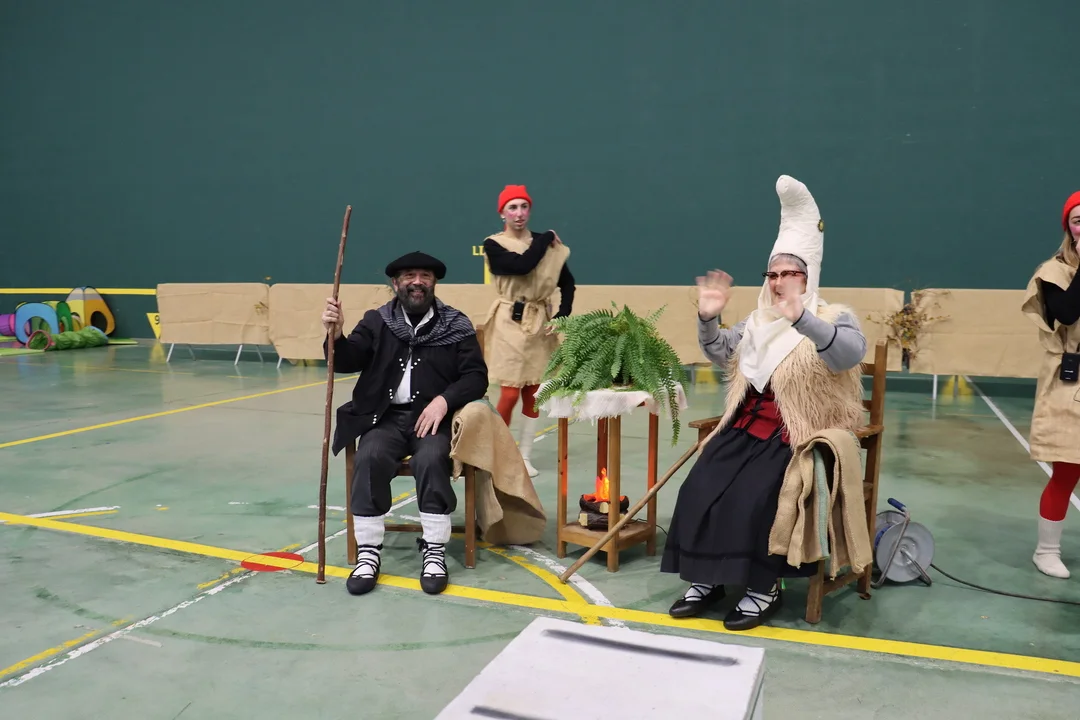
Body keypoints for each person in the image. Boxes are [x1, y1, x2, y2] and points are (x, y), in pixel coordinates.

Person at [661, 175, 867, 631]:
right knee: (699, 486)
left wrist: (804, 320)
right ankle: (705, 578)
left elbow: (849, 355)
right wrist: (708, 318)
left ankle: (762, 587)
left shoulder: (834, 317)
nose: (778, 283)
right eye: (772, 274)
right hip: (745, 426)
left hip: (796, 433)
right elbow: (723, 353)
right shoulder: (757, 321)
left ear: (807, 277)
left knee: (753, 497)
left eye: (788, 274)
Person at [322, 251, 488, 596]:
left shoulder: (456, 324)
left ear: (434, 282)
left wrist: (444, 401)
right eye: (409, 276)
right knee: (369, 457)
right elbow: (347, 361)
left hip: (433, 420)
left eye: (424, 276)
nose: (417, 282)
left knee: (432, 459)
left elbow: (476, 377)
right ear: (395, 283)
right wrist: (336, 335)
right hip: (384, 418)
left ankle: (434, 550)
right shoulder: (377, 321)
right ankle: (368, 553)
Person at [480, 184, 575, 477]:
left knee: (534, 392)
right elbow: (522, 266)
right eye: (512, 207)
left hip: (539, 322)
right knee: (510, 392)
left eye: (524, 207)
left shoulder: (547, 247)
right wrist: (545, 238)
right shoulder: (494, 245)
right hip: (509, 322)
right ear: (502, 213)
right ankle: (499, 452)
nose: (519, 213)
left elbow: (567, 283)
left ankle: (524, 455)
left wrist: (562, 315)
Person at [1023, 190, 1080, 579]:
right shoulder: (1053, 272)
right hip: (1069, 381)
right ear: (1068, 228)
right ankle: (1046, 551)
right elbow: (1068, 312)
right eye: (1078, 221)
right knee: (1067, 469)